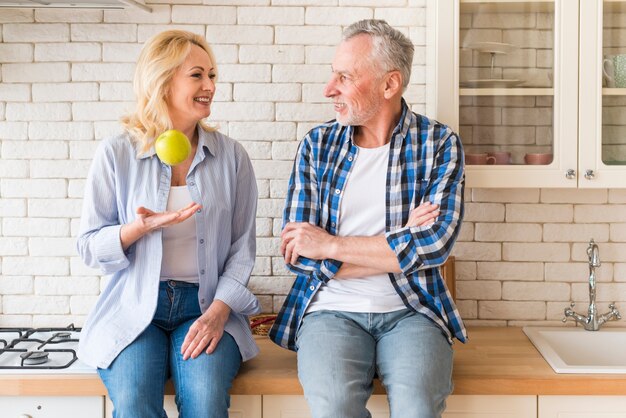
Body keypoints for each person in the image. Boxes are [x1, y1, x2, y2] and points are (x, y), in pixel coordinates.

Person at [269, 19, 467, 418]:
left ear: (389, 84)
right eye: (333, 75)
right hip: (330, 312)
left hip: (414, 310)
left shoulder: (439, 144)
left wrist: (330, 244)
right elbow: (300, 256)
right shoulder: (317, 146)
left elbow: (434, 246)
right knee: (335, 407)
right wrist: (398, 240)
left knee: (417, 408)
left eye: (344, 77)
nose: (329, 89)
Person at [76, 30, 260, 418]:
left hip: (206, 305)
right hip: (134, 306)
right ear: (163, 82)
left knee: (206, 400)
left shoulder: (232, 157)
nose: (210, 86)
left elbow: (242, 252)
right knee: (134, 403)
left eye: (212, 75)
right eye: (197, 75)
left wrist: (218, 312)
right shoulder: (117, 153)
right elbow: (89, 246)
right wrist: (136, 230)